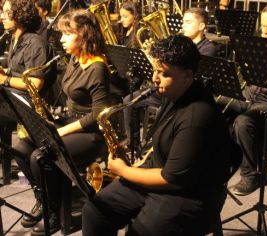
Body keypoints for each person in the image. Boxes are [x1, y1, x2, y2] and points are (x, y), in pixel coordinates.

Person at [82, 34, 241, 236]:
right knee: (95, 211)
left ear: (188, 75)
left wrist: (122, 170)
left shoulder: (197, 116)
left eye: (164, 73)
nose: (155, 79)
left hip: (189, 195)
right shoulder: (173, 92)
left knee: (140, 232)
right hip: (161, 173)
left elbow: (171, 179)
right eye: (155, 70)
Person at [13, 9, 111, 235]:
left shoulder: (96, 67)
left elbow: (98, 113)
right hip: (70, 123)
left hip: (91, 133)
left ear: (84, 35)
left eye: (68, 34)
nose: (62, 39)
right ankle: (43, 199)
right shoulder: (75, 60)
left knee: (40, 156)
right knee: (21, 148)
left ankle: (54, 212)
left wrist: (63, 129)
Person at [218, 2, 267, 196]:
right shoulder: (257, 44)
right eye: (263, 27)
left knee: (243, 122)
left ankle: (251, 176)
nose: (265, 32)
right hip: (248, 96)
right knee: (214, 101)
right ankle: (216, 161)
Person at [122, 7, 216, 152]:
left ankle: (160, 149)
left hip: (183, 92)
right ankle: (133, 145)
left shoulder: (207, 48)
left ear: (201, 26)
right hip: (165, 87)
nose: (182, 26)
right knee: (129, 100)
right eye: (183, 22)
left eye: (188, 22)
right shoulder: (177, 44)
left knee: (163, 113)